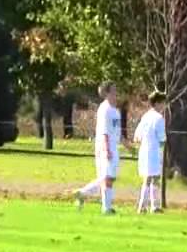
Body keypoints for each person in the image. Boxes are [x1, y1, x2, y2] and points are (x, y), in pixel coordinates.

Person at [70, 82, 124, 215]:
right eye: (113, 91)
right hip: (105, 146)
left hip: (113, 145)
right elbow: (104, 131)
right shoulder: (104, 109)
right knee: (107, 177)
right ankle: (106, 208)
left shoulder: (115, 110)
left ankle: (82, 193)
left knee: (109, 178)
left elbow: (116, 131)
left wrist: (127, 145)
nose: (115, 93)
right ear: (106, 93)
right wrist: (107, 149)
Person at [133, 90, 166, 214]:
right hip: (154, 151)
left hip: (144, 150)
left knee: (151, 178)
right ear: (157, 103)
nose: (163, 106)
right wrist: (161, 145)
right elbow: (162, 139)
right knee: (152, 178)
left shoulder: (145, 116)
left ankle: (153, 205)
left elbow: (137, 136)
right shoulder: (159, 118)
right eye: (162, 103)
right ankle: (143, 206)